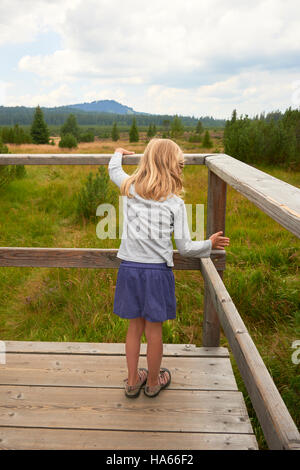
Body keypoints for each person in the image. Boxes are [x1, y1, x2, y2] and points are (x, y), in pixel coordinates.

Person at [108, 138, 230, 398]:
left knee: (134, 328)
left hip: (129, 269)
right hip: (157, 273)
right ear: (173, 167)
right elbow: (185, 248)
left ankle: (132, 381)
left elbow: (114, 171)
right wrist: (209, 244)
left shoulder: (129, 187)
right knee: (154, 331)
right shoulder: (174, 203)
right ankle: (153, 382)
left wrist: (118, 153)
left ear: (147, 161)